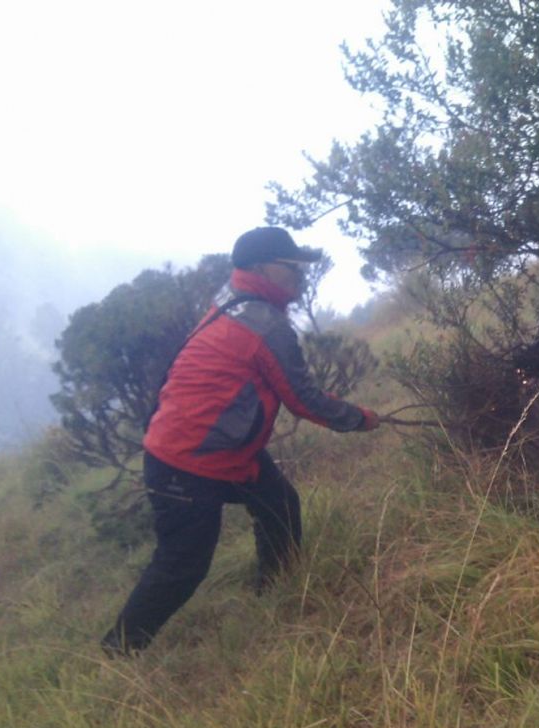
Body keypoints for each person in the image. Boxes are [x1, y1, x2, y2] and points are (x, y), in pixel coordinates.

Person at [101, 226, 379, 655]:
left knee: (279, 504)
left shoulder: (232, 301)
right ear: (264, 268)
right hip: (188, 461)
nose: (300, 276)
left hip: (216, 451)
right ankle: (119, 651)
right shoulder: (263, 324)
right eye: (292, 268)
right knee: (182, 566)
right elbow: (302, 399)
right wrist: (359, 419)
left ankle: (277, 594)